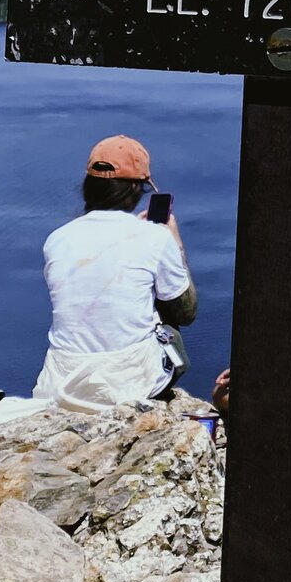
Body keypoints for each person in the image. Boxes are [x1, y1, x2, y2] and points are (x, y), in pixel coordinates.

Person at [35, 133, 198, 413]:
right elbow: (186, 312)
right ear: (138, 189)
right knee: (172, 330)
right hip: (128, 385)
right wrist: (176, 244)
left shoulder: (57, 239)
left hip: (60, 382)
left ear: (89, 185)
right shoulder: (154, 238)